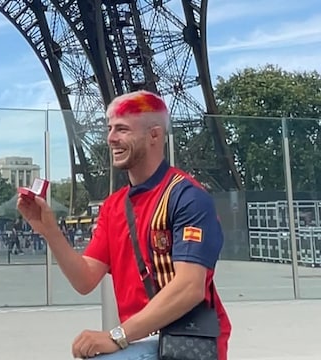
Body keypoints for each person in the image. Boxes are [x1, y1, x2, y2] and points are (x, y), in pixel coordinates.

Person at [17, 90, 231, 360]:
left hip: (183, 342)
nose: (110, 138)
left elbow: (190, 287)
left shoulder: (188, 198)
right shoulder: (113, 206)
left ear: (154, 135)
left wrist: (116, 336)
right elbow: (85, 280)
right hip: (141, 337)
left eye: (122, 129)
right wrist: (49, 231)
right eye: (109, 128)